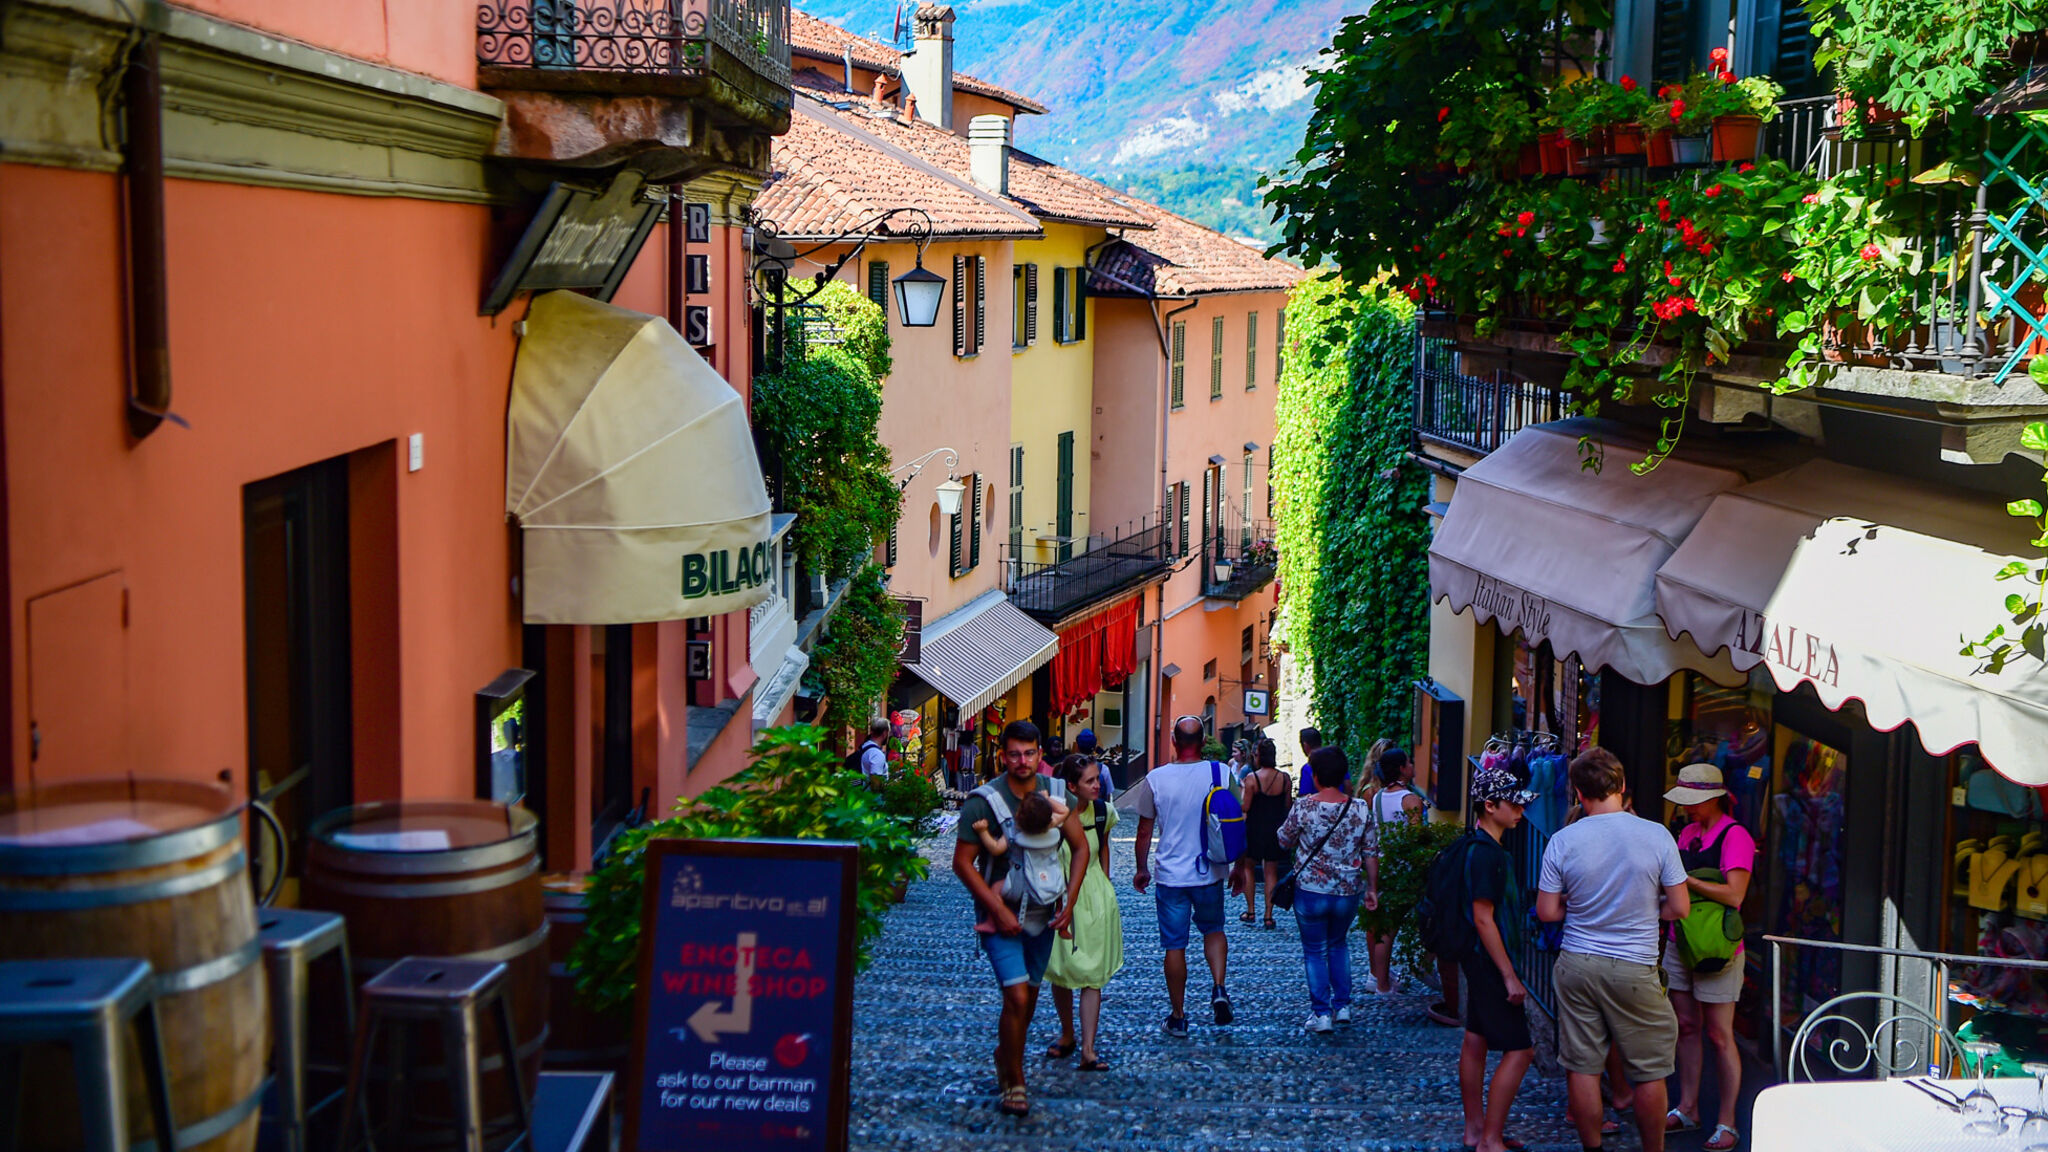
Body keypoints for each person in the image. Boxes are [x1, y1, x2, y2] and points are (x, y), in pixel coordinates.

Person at [1536, 747, 1690, 1152]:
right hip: (1634, 966)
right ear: (1622, 787)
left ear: (1579, 794)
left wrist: (1580, 903)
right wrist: (1645, 904)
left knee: (1583, 1067)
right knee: (1650, 1071)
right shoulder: (1657, 835)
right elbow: (1679, 907)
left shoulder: (1563, 840)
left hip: (1578, 963)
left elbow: (1547, 912)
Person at [951, 720, 1090, 1117]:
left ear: (1039, 755)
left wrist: (1072, 899)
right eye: (1014, 754)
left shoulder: (1057, 795)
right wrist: (995, 909)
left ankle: (1005, 1054)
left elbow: (1079, 848)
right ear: (1002, 755)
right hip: (1001, 918)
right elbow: (962, 863)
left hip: (1045, 914)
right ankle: (1014, 1078)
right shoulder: (984, 802)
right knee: (1015, 996)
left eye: (1029, 753)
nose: (1022, 761)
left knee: (1027, 999)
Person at [1661, 765, 1754, 1152]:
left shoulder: (1737, 836)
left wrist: (1687, 881)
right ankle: (1688, 1107)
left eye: (1694, 802)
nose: (1688, 810)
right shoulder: (1685, 832)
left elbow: (1735, 895)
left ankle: (1728, 1121)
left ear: (1714, 799)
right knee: (1685, 1025)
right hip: (1679, 939)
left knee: (1719, 1034)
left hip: (1718, 948)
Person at [1133, 715, 1238, 1036]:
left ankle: (1178, 1016)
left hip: (1171, 877)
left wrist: (1141, 868)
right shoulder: (1221, 772)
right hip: (1209, 871)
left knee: (1175, 946)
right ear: (1204, 741)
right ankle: (1219, 987)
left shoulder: (1155, 779)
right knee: (1214, 930)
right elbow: (1236, 819)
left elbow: (1144, 829)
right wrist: (1241, 866)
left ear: (1174, 742)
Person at [1459, 765, 1539, 1152]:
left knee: (1475, 1041)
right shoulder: (1487, 854)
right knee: (1521, 1050)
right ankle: (1489, 1139)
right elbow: (1483, 917)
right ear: (1490, 806)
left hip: (1478, 959)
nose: (1520, 812)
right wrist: (1509, 975)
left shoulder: (1476, 846)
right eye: (1514, 804)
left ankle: (1477, 1131)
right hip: (1491, 961)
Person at [1276, 745, 1378, 1032]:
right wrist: (1372, 887)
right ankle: (1342, 1007)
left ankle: (1321, 1014)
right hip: (1347, 889)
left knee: (1314, 951)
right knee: (1339, 944)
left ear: (1317, 776)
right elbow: (1371, 851)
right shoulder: (1359, 807)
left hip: (1311, 889)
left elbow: (1283, 840)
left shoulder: (1305, 806)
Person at [1046, 754, 1125, 1071]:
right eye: (1090, 781)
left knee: (1092, 975)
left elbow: (1103, 847)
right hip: (1059, 897)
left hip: (1094, 898)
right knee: (1062, 971)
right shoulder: (1054, 814)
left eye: (1097, 778)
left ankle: (1088, 1048)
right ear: (1071, 787)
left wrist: (1105, 884)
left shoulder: (1104, 812)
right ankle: (1068, 1034)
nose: (1097, 784)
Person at [1365, 746, 1427, 994]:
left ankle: (1377, 978)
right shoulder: (1410, 799)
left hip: (1382, 864)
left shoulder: (1378, 796)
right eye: (1409, 762)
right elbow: (1415, 837)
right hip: (1402, 868)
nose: (1412, 766)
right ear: (1402, 768)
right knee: (1392, 927)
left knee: (1380, 926)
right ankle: (1384, 984)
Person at [1239, 739, 1291, 928]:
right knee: (1271, 871)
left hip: (1254, 828)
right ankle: (1268, 915)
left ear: (1258, 755)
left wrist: (1243, 790)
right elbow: (1287, 806)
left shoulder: (1252, 778)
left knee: (1248, 867)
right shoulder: (1284, 778)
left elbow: (1245, 806)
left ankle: (1251, 910)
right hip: (1274, 829)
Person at [857, 717, 890, 788]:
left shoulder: (865, 746)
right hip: (870, 797)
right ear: (885, 733)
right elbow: (875, 785)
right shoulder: (877, 754)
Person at [1296, 725, 1325, 796]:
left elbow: (1305, 797)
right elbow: (1348, 787)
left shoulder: (1307, 768)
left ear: (1305, 745)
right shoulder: (1337, 762)